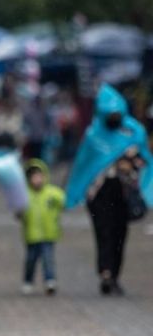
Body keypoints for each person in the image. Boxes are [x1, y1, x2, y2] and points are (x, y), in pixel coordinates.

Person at [65, 83, 152, 296]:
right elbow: (83, 165)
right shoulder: (94, 134)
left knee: (120, 234)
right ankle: (105, 272)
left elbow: (144, 160)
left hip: (124, 192)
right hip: (99, 193)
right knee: (103, 232)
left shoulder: (133, 131)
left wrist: (130, 160)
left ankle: (114, 274)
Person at [19, 159, 65, 295]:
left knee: (48, 259)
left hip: (49, 233)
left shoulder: (52, 193)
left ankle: (50, 280)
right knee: (30, 260)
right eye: (33, 177)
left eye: (39, 176)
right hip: (31, 234)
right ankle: (28, 280)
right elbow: (18, 211)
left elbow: (65, 202)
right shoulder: (25, 194)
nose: (37, 179)